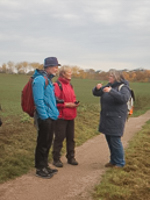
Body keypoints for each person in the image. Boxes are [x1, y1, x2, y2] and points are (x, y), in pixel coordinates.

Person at [92, 69, 131, 168]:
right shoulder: (109, 86)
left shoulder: (123, 87)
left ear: (116, 78)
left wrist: (111, 91)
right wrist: (97, 88)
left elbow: (124, 98)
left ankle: (120, 162)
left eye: (111, 76)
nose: (109, 78)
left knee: (115, 140)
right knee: (109, 140)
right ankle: (113, 160)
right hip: (107, 117)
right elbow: (97, 93)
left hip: (116, 118)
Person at [32, 57, 60, 178]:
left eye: (57, 66)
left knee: (48, 142)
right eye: (54, 66)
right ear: (47, 67)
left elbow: (50, 99)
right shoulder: (39, 80)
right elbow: (38, 100)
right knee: (42, 143)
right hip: (45, 117)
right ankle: (40, 168)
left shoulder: (48, 80)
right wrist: (44, 116)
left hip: (51, 116)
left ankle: (45, 166)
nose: (56, 69)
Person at [52, 65, 79, 167]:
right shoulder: (57, 85)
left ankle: (71, 157)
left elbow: (72, 97)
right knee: (59, 138)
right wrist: (68, 104)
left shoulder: (70, 85)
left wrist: (74, 103)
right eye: (69, 72)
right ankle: (56, 158)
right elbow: (54, 102)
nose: (71, 74)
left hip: (71, 115)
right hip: (61, 116)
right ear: (63, 73)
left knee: (71, 138)